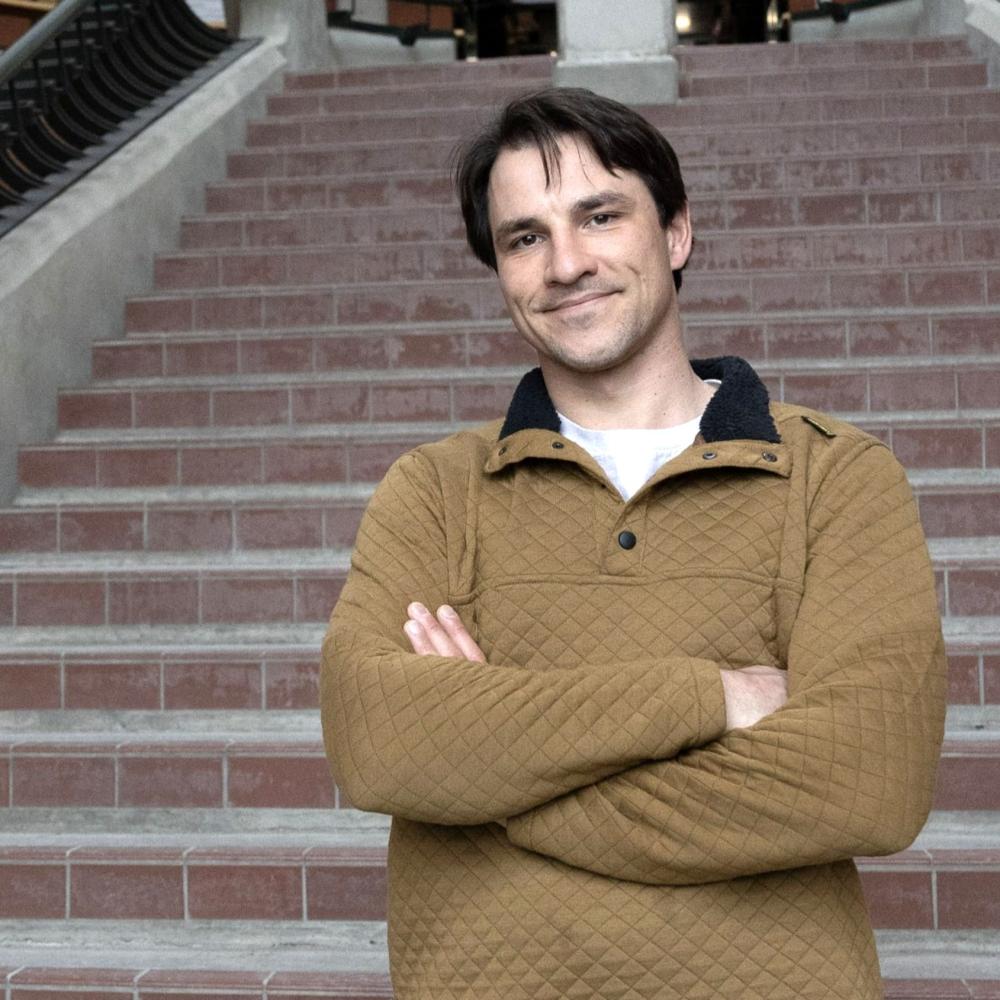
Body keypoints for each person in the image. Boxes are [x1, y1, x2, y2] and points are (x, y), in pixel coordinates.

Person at [321, 88, 946, 999]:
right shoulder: (437, 491)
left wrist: (491, 774)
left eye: (599, 216)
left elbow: (867, 779)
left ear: (677, 233)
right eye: (524, 237)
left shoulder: (834, 476)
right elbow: (378, 741)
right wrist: (707, 695)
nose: (565, 263)